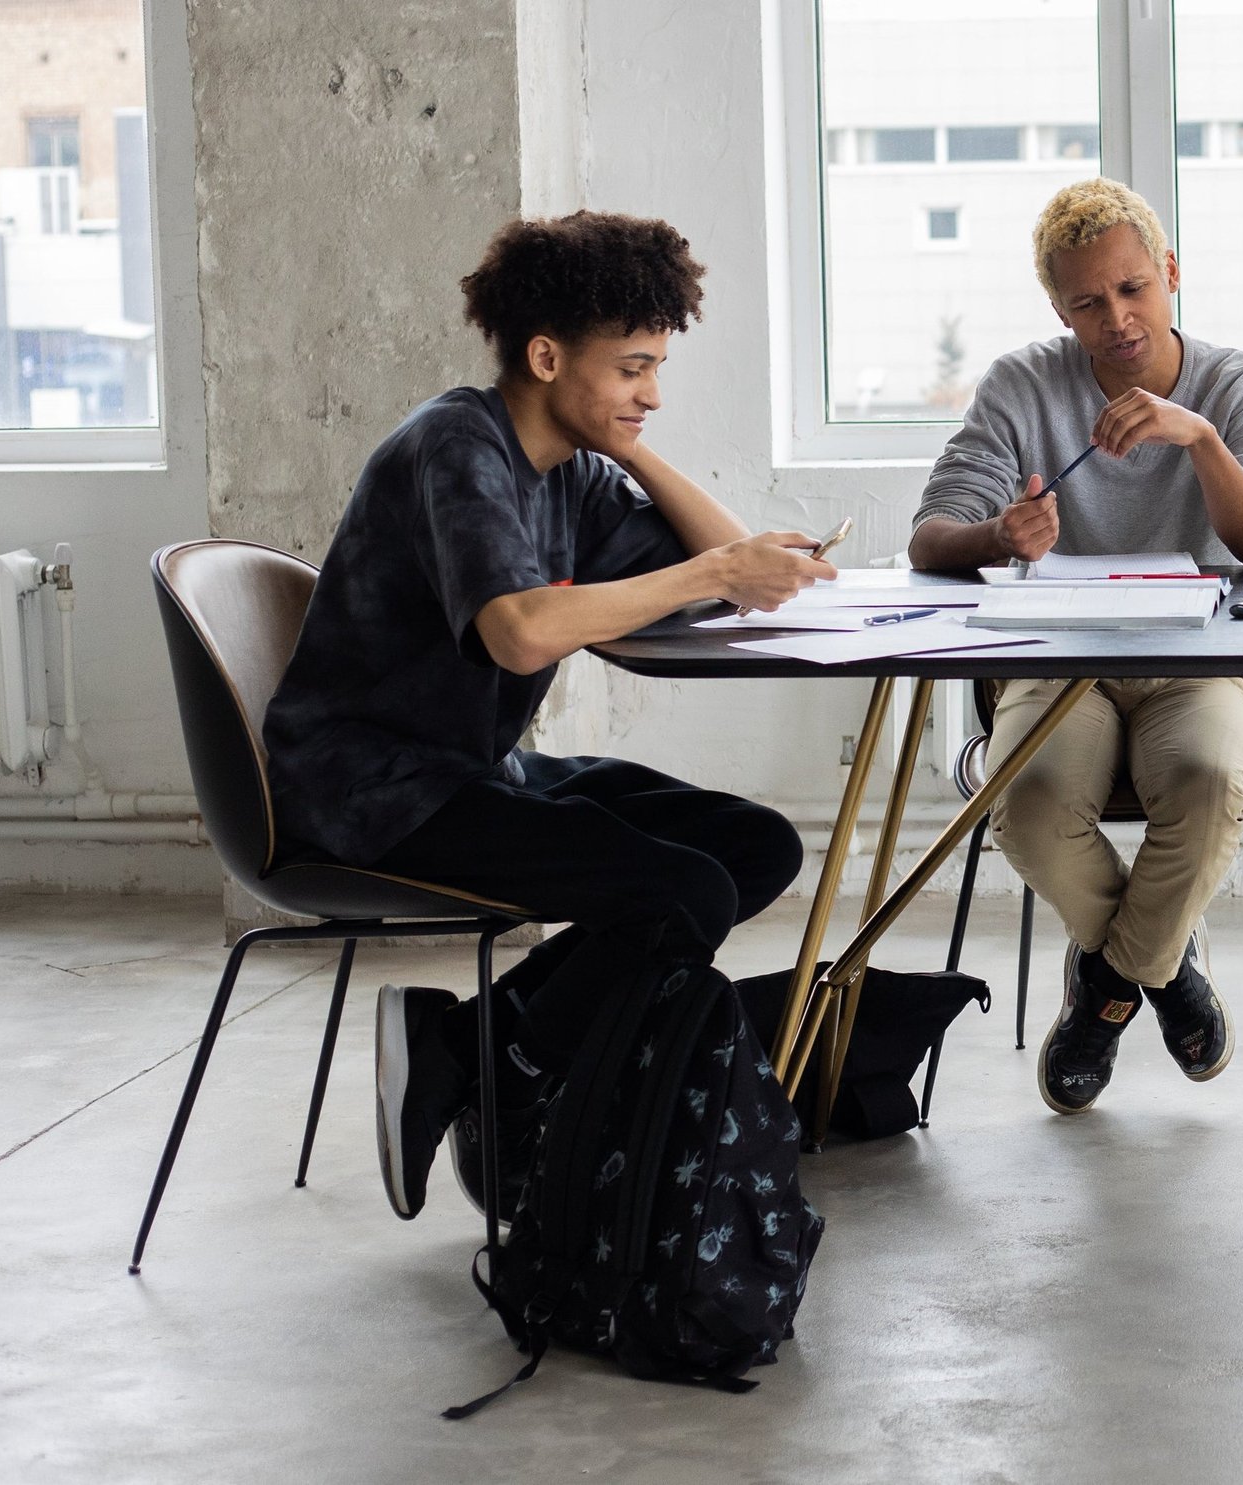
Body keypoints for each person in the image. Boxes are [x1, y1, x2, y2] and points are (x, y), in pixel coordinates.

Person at [261, 211, 836, 1222]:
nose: (652, 393)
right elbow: (520, 632)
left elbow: (726, 575)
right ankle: (507, 1066)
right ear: (543, 354)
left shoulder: (564, 469)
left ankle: (471, 1046)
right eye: (632, 370)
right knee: (680, 894)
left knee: (752, 848)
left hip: (465, 769)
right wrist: (707, 565)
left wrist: (633, 448)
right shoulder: (457, 447)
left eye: (655, 370)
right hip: (369, 788)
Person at [908, 179, 1243, 1115]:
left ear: (1169, 274)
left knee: (1208, 783)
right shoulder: (1021, 384)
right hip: (1055, 655)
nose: (1117, 318)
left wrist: (1197, 437)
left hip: (1198, 657)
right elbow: (930, 537)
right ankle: (1165, 966)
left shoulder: (1237, 386)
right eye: (1087, 301)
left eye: (1132, 289)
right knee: (1028, 804)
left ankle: (1107, 987)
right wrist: (1001, 536)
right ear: (1058, 307)